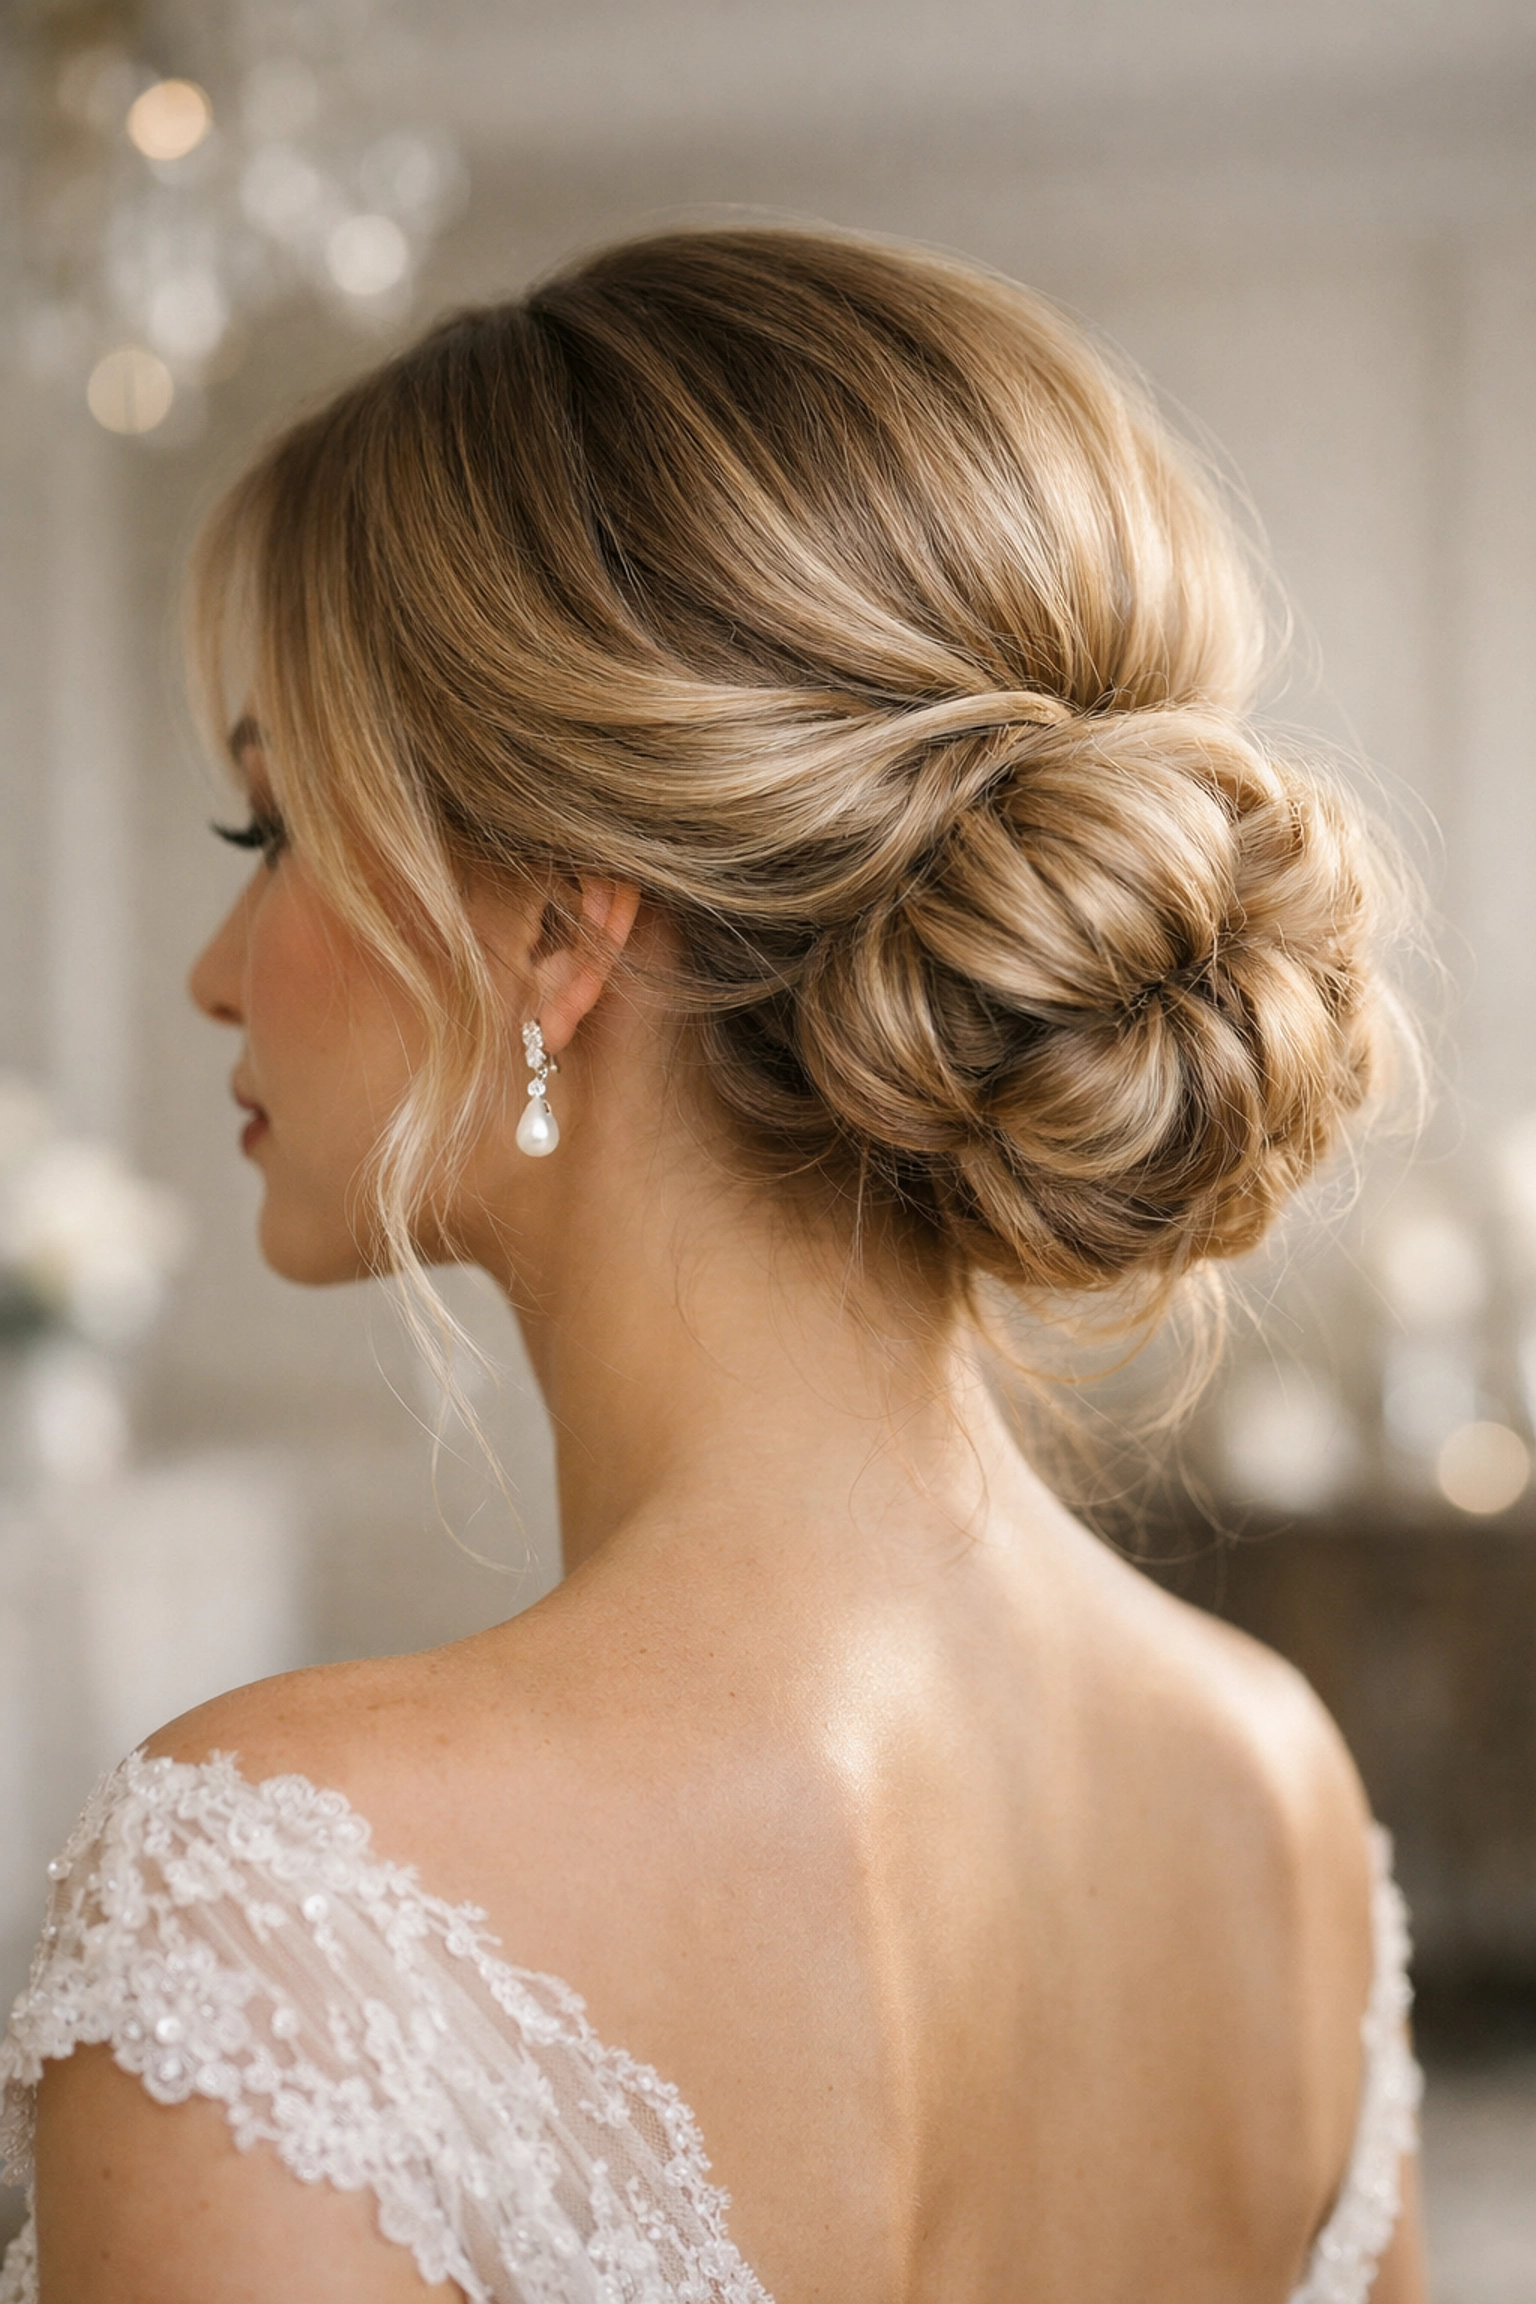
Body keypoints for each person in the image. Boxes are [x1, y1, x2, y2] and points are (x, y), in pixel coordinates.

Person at [0, 228, 1424, 2303]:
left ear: (558, 935)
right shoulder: (1279, 1793)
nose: (222, 971)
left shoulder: (285, 1899)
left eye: (274, 830)